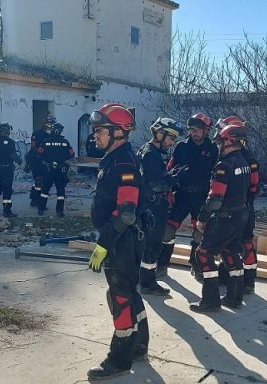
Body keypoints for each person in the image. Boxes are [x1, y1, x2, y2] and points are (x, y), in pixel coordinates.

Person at [86, 103, 148, 380]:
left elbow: (125, 214)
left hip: (121, 241)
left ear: (118, 133)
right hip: (122, 240)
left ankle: (120, 360)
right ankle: (139, 346)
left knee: (120, 297)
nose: (95, 135)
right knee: (130, 293)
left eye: (99, 130)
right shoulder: (115, 159)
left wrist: (104, 244)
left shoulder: (124, 164)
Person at [189, 124, 251, 313]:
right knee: (230, 251)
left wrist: (202, 218)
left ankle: (210, 301)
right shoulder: (244, 163)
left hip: (225, 217)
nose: (217, 144)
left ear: (228, 141)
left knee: (203, 253)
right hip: (241, 215)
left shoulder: (224, 166)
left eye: (219, 140)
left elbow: (215, 198)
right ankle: (234, 297)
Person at [156, 112, 219, 281]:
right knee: (168, 231)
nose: (194, 133)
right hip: (181, 195)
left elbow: (217, 175)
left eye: (198, 129)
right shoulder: (181, 147)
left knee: (198, 232)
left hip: (201, 197)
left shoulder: (213, 149)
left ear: (206, 130)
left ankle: (195, 264)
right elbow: (169, 168)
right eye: (192, 129)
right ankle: (162, 265)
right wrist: (168, 190)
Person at [136, 117, 184, 296]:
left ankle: (142, 278)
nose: (171, 143)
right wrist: (174, 178)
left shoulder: (148, 151)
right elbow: (156, 185)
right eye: (170, 138)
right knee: (153, 245)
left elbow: (153, 177)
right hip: (153, 206)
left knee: (146, 244)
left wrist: (170, 174)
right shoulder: (151, 154)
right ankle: (148, 284)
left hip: (150, 205)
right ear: (160, 134)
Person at [216, 116, 259, 293]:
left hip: (241, 208)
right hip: (238, 208)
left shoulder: (247, 159)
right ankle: (228, 275)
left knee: (245, 243)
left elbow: (254, 187)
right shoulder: (237, 156)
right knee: (230, 244)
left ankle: (248, 281)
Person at [37, 122, 75, 217]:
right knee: (61, 191)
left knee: (45, 190)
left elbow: (38, 154)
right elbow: (72, 154)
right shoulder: (65, 142)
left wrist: (45, 161)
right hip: (60, 169)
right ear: (60, 131)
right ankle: (59, 211)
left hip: (49, 169)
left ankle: (41, 209)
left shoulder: (45, 142)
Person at [26, 115, 55, 207]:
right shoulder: (37, 134)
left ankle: (35, 199)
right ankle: (36, 200)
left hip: (46, 161)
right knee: (39, 181)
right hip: (35, 159)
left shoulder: (52, 135)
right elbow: (34, 148)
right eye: (49, 124)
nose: (51, 126)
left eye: (52, 124)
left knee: (43, 182)